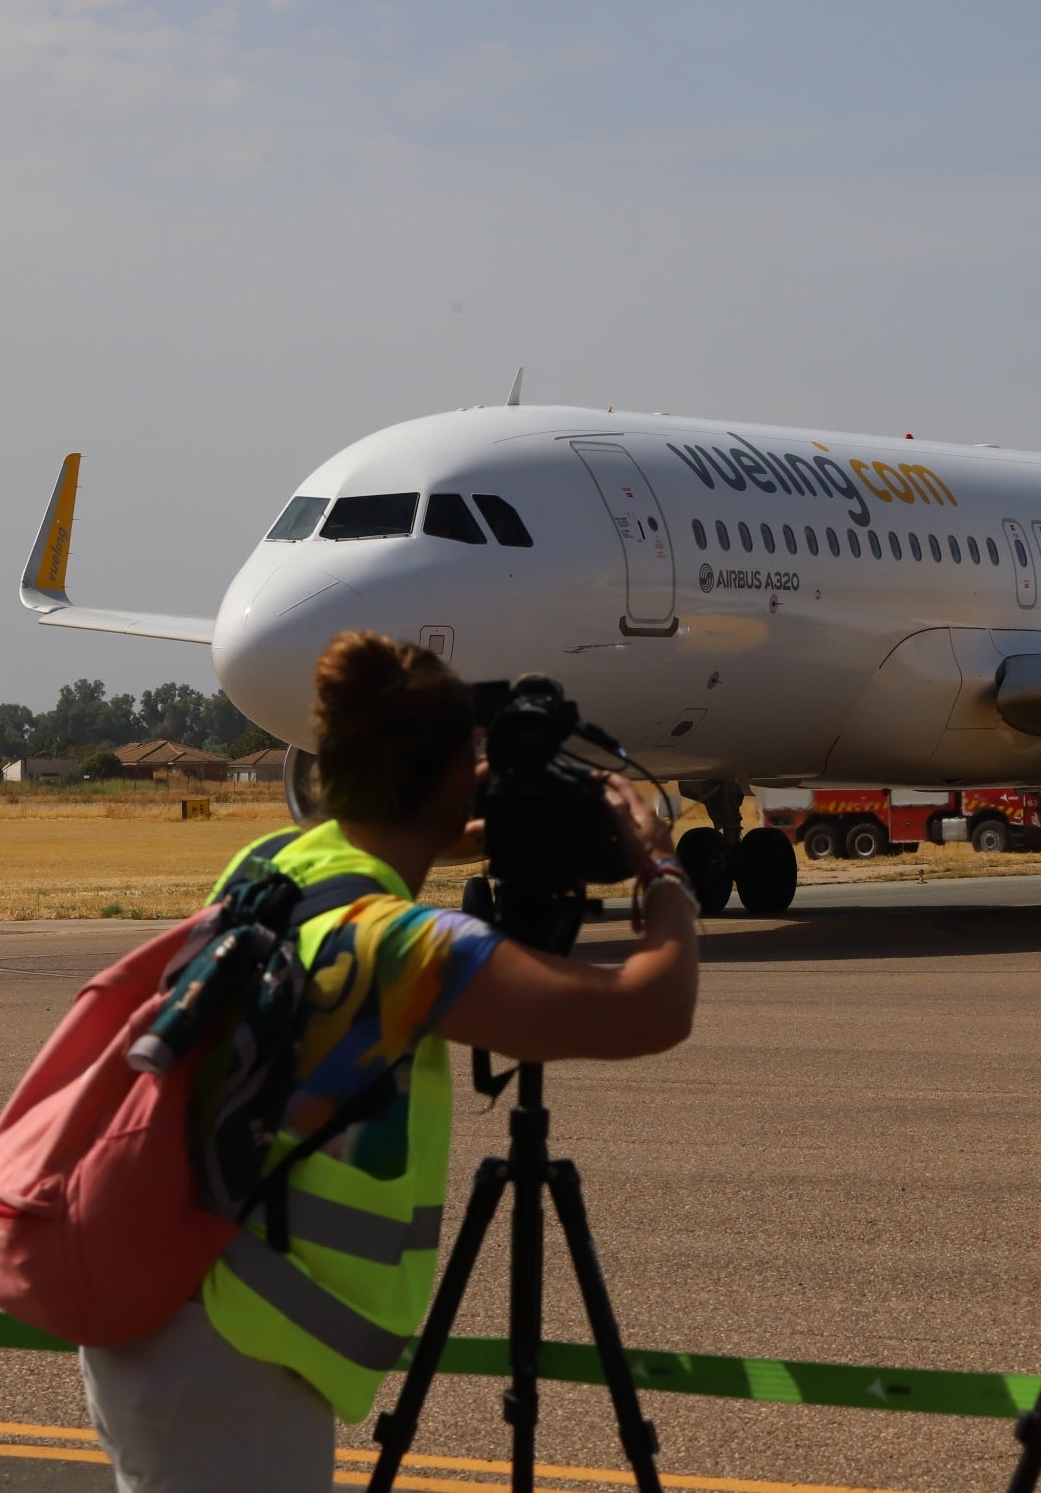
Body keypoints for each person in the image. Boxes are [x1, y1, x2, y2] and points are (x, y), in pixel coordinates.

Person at [82, 630, 700, 1493]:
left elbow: (371, 844)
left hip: (163, 1321)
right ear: (458, 776)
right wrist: (661, 866)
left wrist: (484, 823)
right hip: (238, 1358)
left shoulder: (272, 866)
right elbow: (654, 1009)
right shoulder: (400, 947)